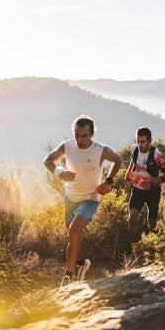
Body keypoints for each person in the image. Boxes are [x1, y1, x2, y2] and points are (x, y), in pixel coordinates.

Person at [44, 114, 122, 286]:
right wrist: (60, 172)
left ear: (92, 134)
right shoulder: (67, 146)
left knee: (73, 232)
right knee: (74, 237)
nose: (80, 139)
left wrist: (108, 181)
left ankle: (68, 277)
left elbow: (118, 160)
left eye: (84, 136)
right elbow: (48, 160)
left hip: (90, 198)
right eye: (76, 135)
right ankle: (82, 264)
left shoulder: (101, 150)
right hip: (70, 198)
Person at [124, 126, 165, 259]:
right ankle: (134, 250)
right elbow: (132, 163)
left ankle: (156, 247)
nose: (140, 144)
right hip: (137, 190)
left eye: (143, 141)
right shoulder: (134, 149)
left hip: (153, 192)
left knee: (152, 222)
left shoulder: (157, 155)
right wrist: (127, 175)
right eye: (138, 141)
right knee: (132, 219)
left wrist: (150, 182)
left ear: (149, 141)